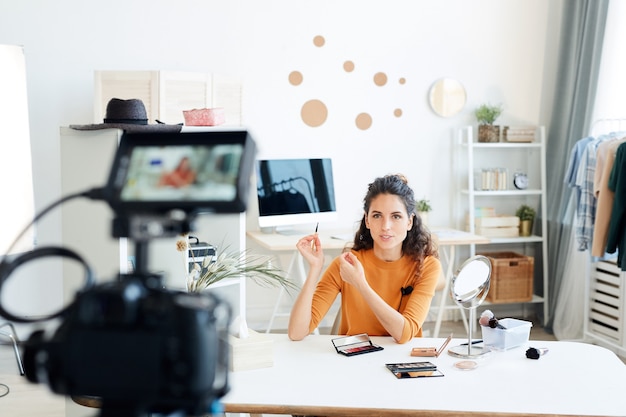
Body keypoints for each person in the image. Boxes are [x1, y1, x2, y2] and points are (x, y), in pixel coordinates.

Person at [288, 174, 441, 344]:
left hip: (403, 361)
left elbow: (405, 333)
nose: (385, 226)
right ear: (367, 220)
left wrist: (360, 284)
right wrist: (315, 268)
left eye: (396, 216)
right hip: (355, 359)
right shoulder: (347, 264)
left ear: (409, 222)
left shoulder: (427, 266)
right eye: (377, 215)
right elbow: (297, 332)